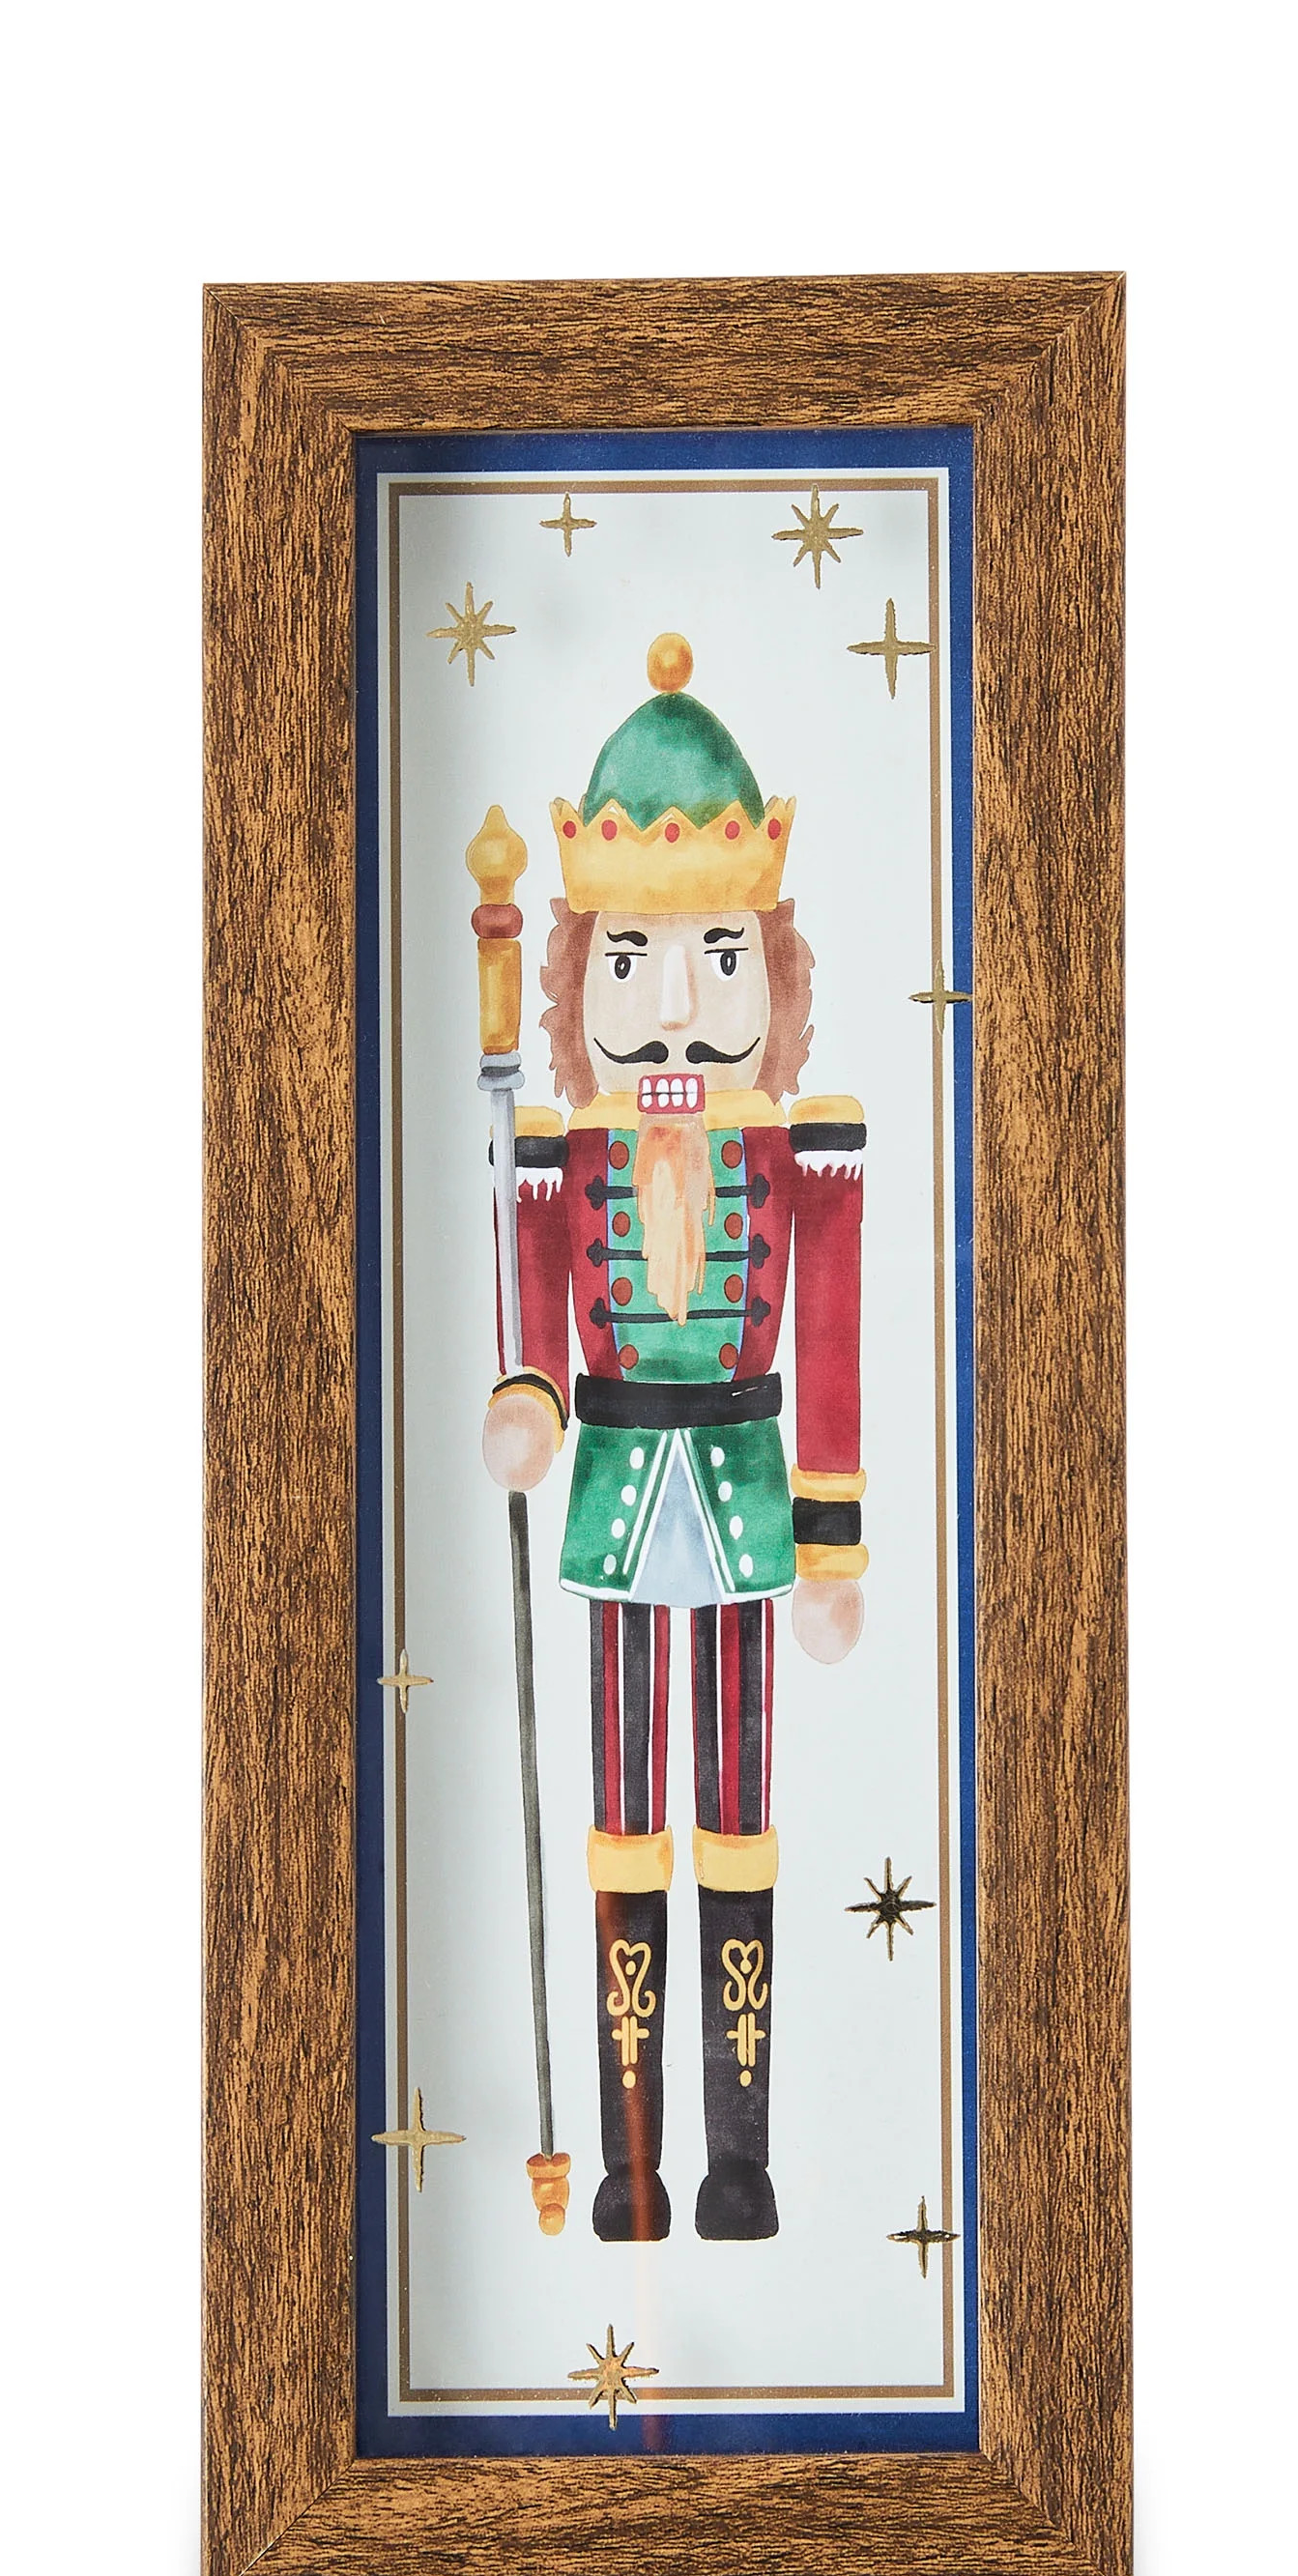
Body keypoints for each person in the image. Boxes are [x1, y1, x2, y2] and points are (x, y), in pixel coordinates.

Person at [480, 633, 866, 2242]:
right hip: (623, 1495)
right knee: (626, 1818)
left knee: (742, 1814)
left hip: (751, 1488)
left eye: (717, 957)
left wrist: (834, 1542)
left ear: (772, 975)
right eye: (635, 963)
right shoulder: (558, 1153)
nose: (681, 1006)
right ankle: (630, 2164)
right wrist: (528, 1401)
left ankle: (740, 2159)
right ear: (581, 983)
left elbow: (832, 1347)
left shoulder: (805, 1151)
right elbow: (532, 1316)